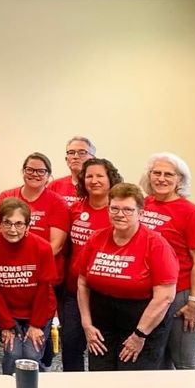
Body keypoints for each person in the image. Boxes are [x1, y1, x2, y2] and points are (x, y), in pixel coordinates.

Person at [77, 182, 178, 388]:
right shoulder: (97, 238)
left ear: (140, 212)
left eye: (127, 209)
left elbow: (165, 295)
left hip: (144, 318)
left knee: (136, 380)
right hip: (103, 317)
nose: (120, 214)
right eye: (115, 208)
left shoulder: (155, 243)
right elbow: (83, 281)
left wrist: (139, 334)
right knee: (104, 374)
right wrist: (86, 322)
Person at [139, 152, 195, 388]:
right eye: (157, 173)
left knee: (183, 361)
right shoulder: (145, 206)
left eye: (169, 175)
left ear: (180, 180)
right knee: (161, 361)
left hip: (182, 295)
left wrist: (193, 301)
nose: (162, 179)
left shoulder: (191, 212)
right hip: (155, 296)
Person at [0, 197, 56, 375]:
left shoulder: (43, 248)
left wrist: (36, 325)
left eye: (19, 224)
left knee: (31, 354)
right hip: (8, 311)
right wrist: (6, 325)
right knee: (12, 353)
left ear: (28, 226)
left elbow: (44, 290)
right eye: (7, 223)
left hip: (39, 310)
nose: (13, 229)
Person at [60, 156, 123, 372]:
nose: (94, 180)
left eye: (99, 176)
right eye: (89, 176)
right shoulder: (75, 209)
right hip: (73, 290)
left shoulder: (118, 212)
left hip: (104, 293)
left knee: (101, 346)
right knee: (71, 343)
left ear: (110, 179)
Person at [49, 136, 97, 208]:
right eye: (71, 153)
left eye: (82, 152)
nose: (75, 157)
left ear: (93, 159)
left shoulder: (97, 186)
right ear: (66, 159)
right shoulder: (54, 186)